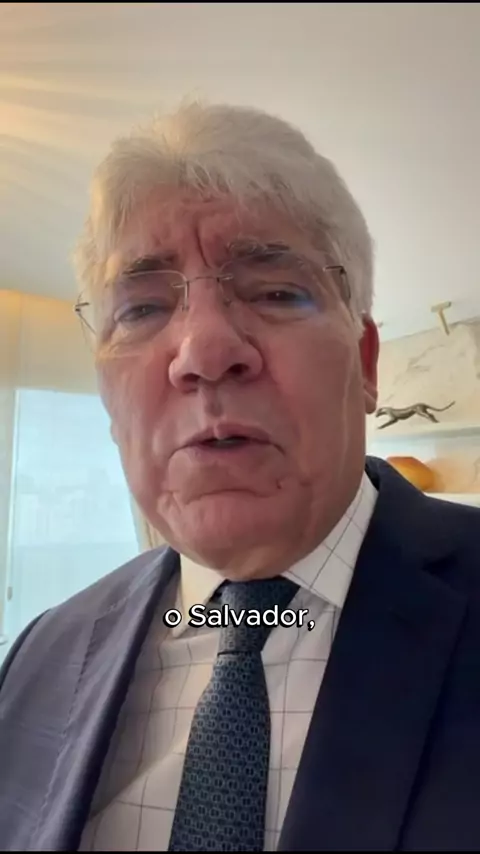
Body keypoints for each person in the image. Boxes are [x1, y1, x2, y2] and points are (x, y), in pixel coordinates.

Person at [1, 99, 480, 853]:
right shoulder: (40, 655)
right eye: (142, 309)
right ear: (108, 396)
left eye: (274, 291)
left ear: (364, 363)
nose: (204, 351)